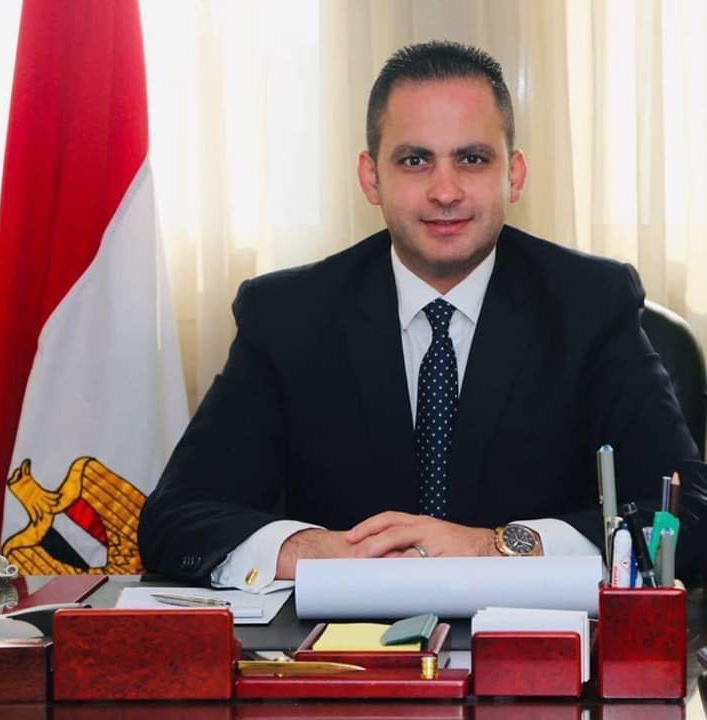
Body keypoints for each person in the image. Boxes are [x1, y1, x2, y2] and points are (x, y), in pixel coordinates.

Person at [138, 41, 706, 589]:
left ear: (514, 175)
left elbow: (689, 515)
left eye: (472, 159)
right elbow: (176, 519)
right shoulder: (288, 316)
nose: (445, 191)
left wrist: (493, 548)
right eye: (415, 161)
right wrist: (319, 552)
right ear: (371, 178)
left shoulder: (591, 304)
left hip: (533, 643)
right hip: (344, 644)